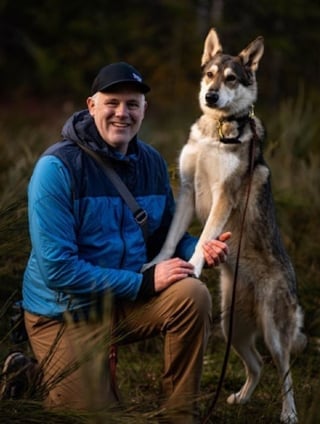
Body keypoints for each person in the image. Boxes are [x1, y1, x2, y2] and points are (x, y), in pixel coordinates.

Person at [21, 62, 231, 423]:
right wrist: (144, 282)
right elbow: (58, 269)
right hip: (62, 313)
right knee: (96, 416)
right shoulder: (56, 169)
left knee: (192, 294)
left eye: (132, 104)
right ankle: (29, 377)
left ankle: (180, 415)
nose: (123, 113)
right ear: (91, 106)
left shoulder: (149, 161)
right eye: (112, 103)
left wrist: (198, 250)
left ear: (144, 110)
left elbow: (164, 233)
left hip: (122, 301)